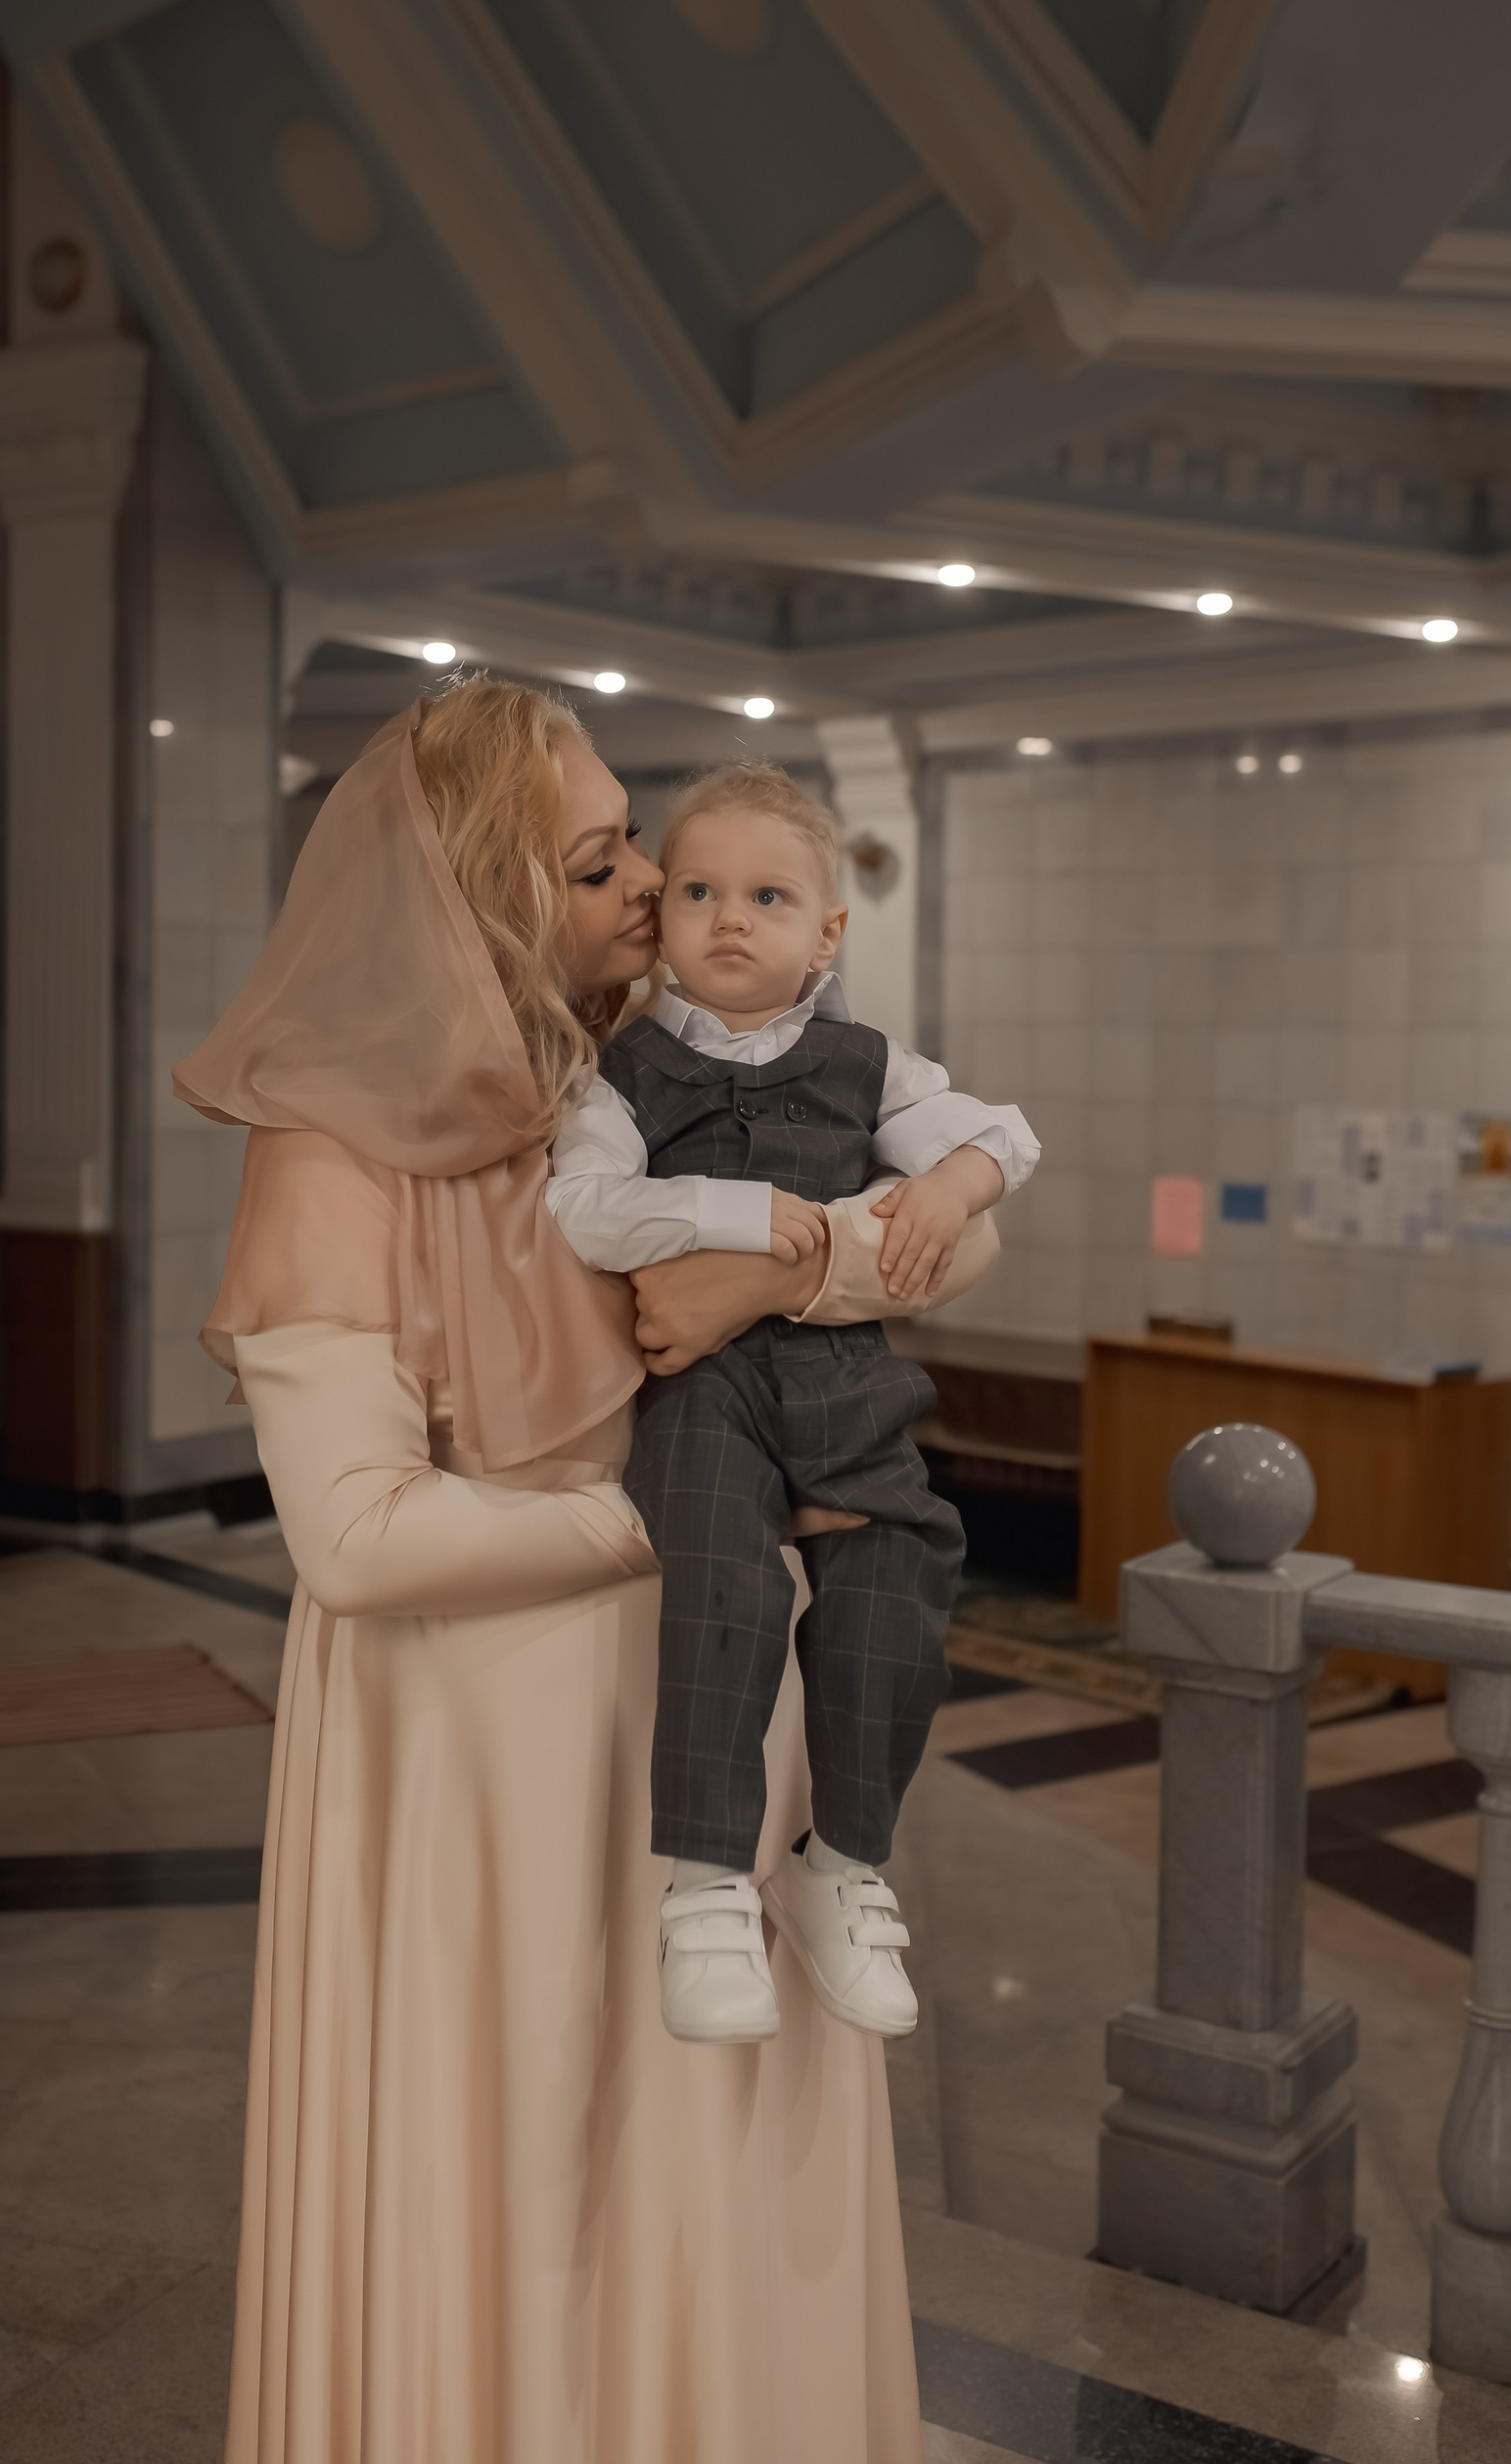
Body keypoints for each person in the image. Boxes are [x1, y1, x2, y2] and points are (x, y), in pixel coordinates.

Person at [175, 678, 956, 2464]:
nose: (652, 889)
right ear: (478, 894)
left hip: (703, 1705)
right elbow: (357, 1538)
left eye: (635, 848)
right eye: (599, 863)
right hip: (475, 1743)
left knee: (713, 2156)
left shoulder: (633, 1066)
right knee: (522, 2161)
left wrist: (794, 1267)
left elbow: (935, 1226)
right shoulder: (330, 1142)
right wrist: (681, 1517)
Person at [547, 763, 1036, 2046]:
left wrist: (951, 1187)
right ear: (664, 913)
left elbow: (1003, 1136)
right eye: (698, 891)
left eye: (768, 897)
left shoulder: (870, 1066)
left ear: (828, 930)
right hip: (703, 1386)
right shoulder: (621, 1074)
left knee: (901, 1578)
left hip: (845, 1379)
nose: (729, 918)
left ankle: (842, 1863)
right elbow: (583, 1210)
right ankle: (707, 1886)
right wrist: (744, 1213)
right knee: (726, 1580)